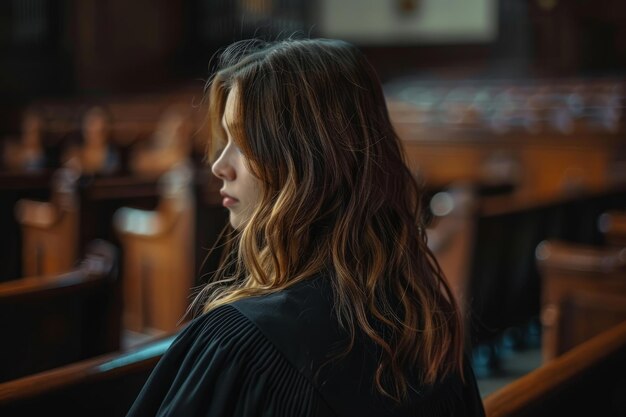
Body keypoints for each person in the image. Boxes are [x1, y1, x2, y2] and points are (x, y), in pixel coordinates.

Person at [127, 38, 485, 417]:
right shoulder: (425, 322)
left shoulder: (241, 344)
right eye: (225, 140)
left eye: (244, 142)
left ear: (309, 165)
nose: (219, 165)